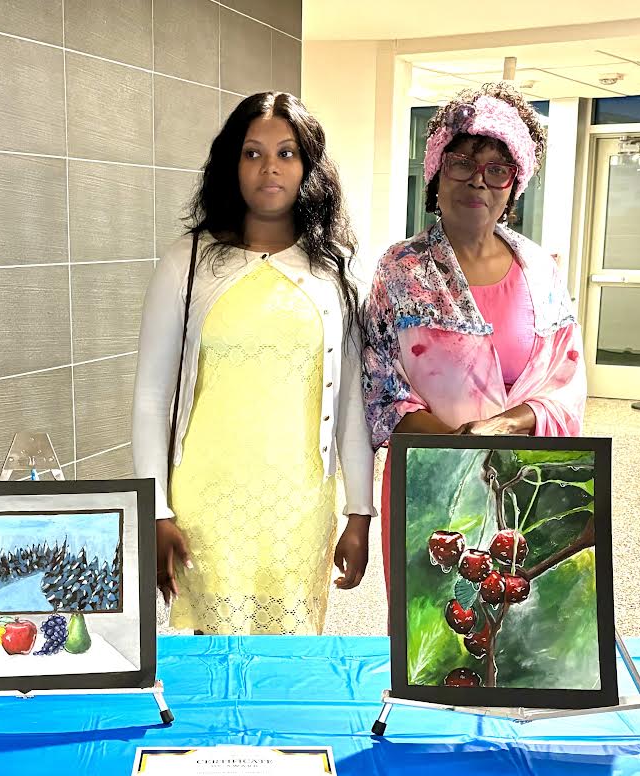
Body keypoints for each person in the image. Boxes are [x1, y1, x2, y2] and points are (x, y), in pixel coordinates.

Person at [131, 92, 373, 635]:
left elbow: (352, 402)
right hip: (205, 504)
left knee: (288, 659)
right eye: (252, 152)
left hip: (299, 506)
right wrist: (157, 511)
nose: (270, 167)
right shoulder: (186, 261)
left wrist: (360, 511)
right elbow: (151, 399)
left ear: (309, 167)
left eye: (287, 153)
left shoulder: (335, 274)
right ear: (231, 164)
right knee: (208, 661)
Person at [361, 84, 586, 576]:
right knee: (430, 629)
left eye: (498, 169)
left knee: (519, 618)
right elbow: (380, 394)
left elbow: (565, 387)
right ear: (437, 173)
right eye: (462, 162)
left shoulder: (541, 273)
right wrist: (461, 453)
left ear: (514, 186)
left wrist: (505, 426)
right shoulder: (401, 270)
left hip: (524, 482)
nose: (478, 181)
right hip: (430, 482)